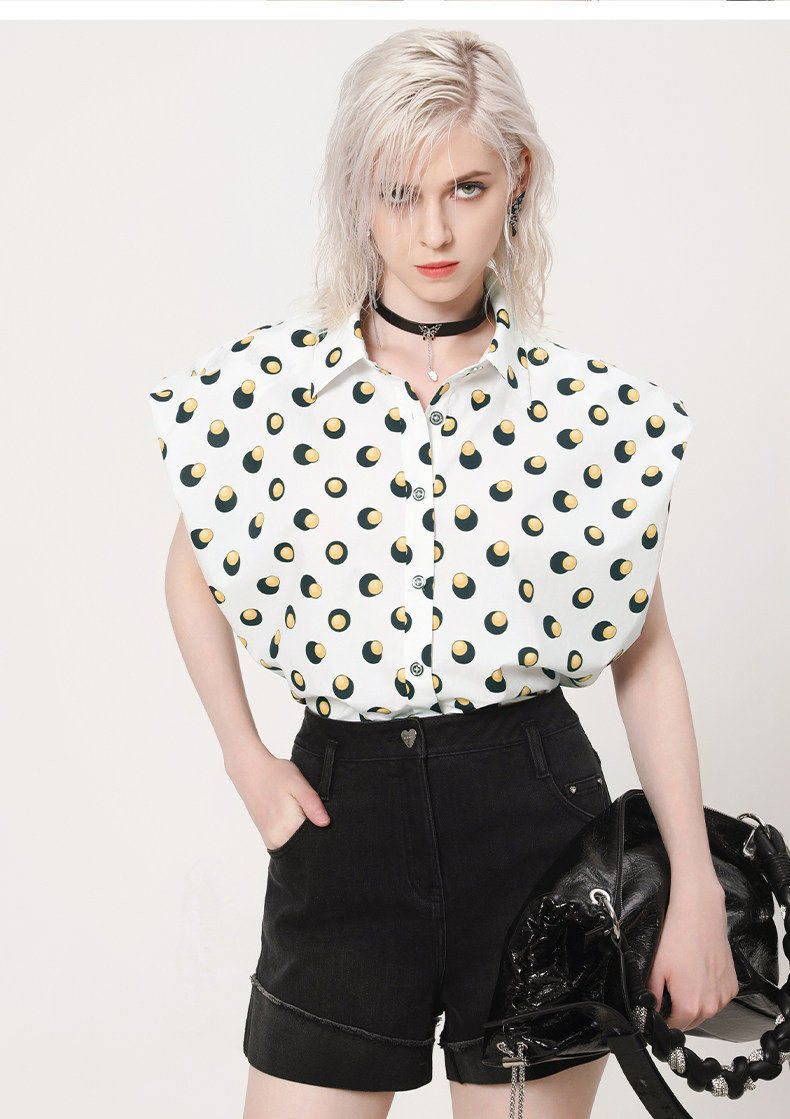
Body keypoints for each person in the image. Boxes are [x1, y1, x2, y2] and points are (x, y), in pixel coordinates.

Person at [147, 28, 739, 1119]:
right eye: (398, 191)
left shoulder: (585, 416)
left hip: (530, 823)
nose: (432, 230)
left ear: (518, 179)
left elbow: (644, 653)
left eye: (466, 187)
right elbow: (193, 572)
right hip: (342, 822)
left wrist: (694, 883)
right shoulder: (272, 394)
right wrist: (244, 756)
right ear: (356, 195)